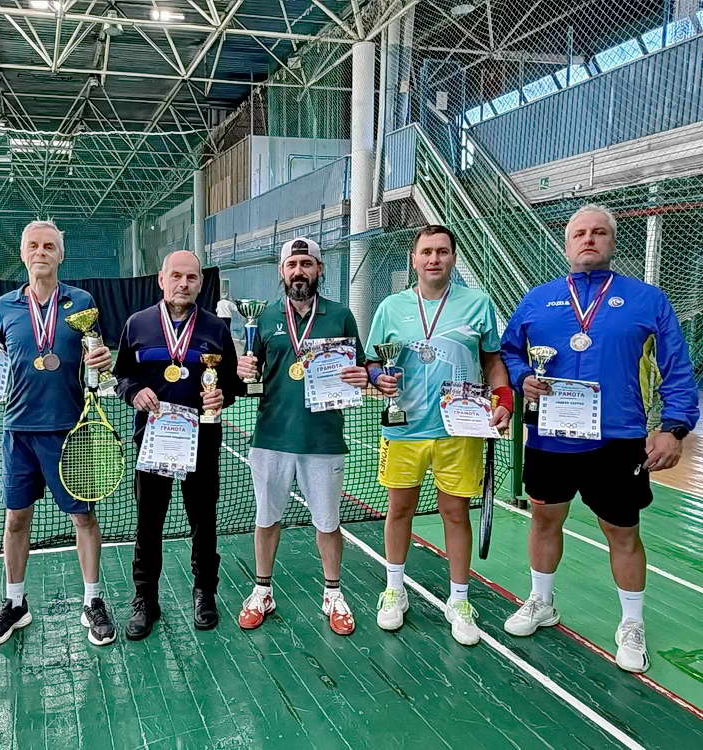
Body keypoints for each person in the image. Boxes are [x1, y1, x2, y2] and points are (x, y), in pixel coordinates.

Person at [500, 204, 698, 673]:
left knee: (622, 532)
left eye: (599, 233)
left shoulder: (647, 300)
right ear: (567, 245)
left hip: (618, 440)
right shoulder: (538, 299)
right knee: (544, 519)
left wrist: (674, 428)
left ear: (612, 241)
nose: (588, 240)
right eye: (580, 234)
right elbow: (508, 352)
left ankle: (632, 623)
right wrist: (523, 377)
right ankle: (542, 601)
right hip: (550, 437)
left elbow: (676, 367)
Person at [0, 221, 116, 647]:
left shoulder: (81, 302)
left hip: (70, 430)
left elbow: (96, 360)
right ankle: (14, 602)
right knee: (16, 519)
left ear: (61, 255)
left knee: (83, 518)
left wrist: (100, 360)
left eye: (49, 246)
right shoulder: (5, 305)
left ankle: (92, 601)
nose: (41, 252)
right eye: (34, 246)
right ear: (23, 254)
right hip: (18, 429)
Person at [366, 225, 512, 646]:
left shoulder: (478, 304)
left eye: (443, 251)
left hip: (460, 430)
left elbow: (492, 361)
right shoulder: (390, 307)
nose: (434, 259)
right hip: (404, 428)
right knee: (399, 509)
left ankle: (460, 601)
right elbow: (373, 362)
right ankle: (394, 590)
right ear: (413, 259)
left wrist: (503, 397)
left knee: (455, 513)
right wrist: (377, 379)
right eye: (427, 252)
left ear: (453, 258)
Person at [236, 237, 368, 635]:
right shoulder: (263, 317)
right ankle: (262, 591)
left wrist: (362, 376)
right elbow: (251, 379)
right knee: (266, 519)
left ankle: (333, 594)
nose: (299, 271)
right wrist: (243, 371)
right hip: (271, 437)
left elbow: (361, 368)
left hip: (322, 439)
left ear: (319, 269)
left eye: (306, 264)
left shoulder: (340, 315)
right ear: (282, 271)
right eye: (292, 265)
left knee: (327, 523)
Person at [113, 250, 241, 639]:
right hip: (153, 443)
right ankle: (145, 599)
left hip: (202, 442)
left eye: (191, 277)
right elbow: (122, 376)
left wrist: (222, 395)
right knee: (148, 524)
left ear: (200, 283)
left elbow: (232, 383)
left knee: (204, 522)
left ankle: (204, 593)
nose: (183, 284)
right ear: (161, 279)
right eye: (176, 276)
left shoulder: (216, 328)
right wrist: (134, 392)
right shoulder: (137, 324)